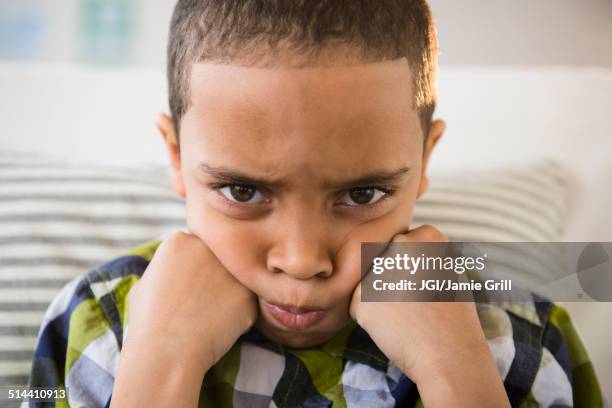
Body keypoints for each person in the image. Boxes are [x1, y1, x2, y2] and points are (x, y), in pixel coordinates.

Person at [28, 0, 602, 406]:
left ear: (425, 162)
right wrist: (159, 364)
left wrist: (456, 372)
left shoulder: (521, 334)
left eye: (362, 194)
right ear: (176, 158)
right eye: (243, 191)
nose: (302, 261)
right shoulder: (97, 323)